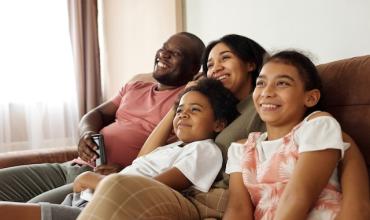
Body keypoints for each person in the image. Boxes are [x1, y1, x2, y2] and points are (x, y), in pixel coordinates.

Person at [0, 32, 205, 203]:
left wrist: (128, 171)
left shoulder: (185, 104)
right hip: (73, 167)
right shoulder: (135, 86)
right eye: (164, 47)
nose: (163, 54)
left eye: (175, 53)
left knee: (27, 211)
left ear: (194, 69)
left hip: (102, 179)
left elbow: (172, 157)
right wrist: (86, 133)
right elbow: (96, 114)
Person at [0, 78, 240, 220]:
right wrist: (174, 110)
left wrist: (95, 180)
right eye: (180, 109)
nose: (183, 114)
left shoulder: (204, 150)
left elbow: (153, 187)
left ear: (219, 123)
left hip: (105, 206)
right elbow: (142, 158)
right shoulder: (174, 146)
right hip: (87, 196)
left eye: (195, 110)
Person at [223, 50, 363, 219]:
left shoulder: (318, 126)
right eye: (260, 84)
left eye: (282, 83)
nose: (267, 92)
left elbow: (298, 196)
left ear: (310, 98)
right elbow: (237, 209)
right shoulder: (241, 149)